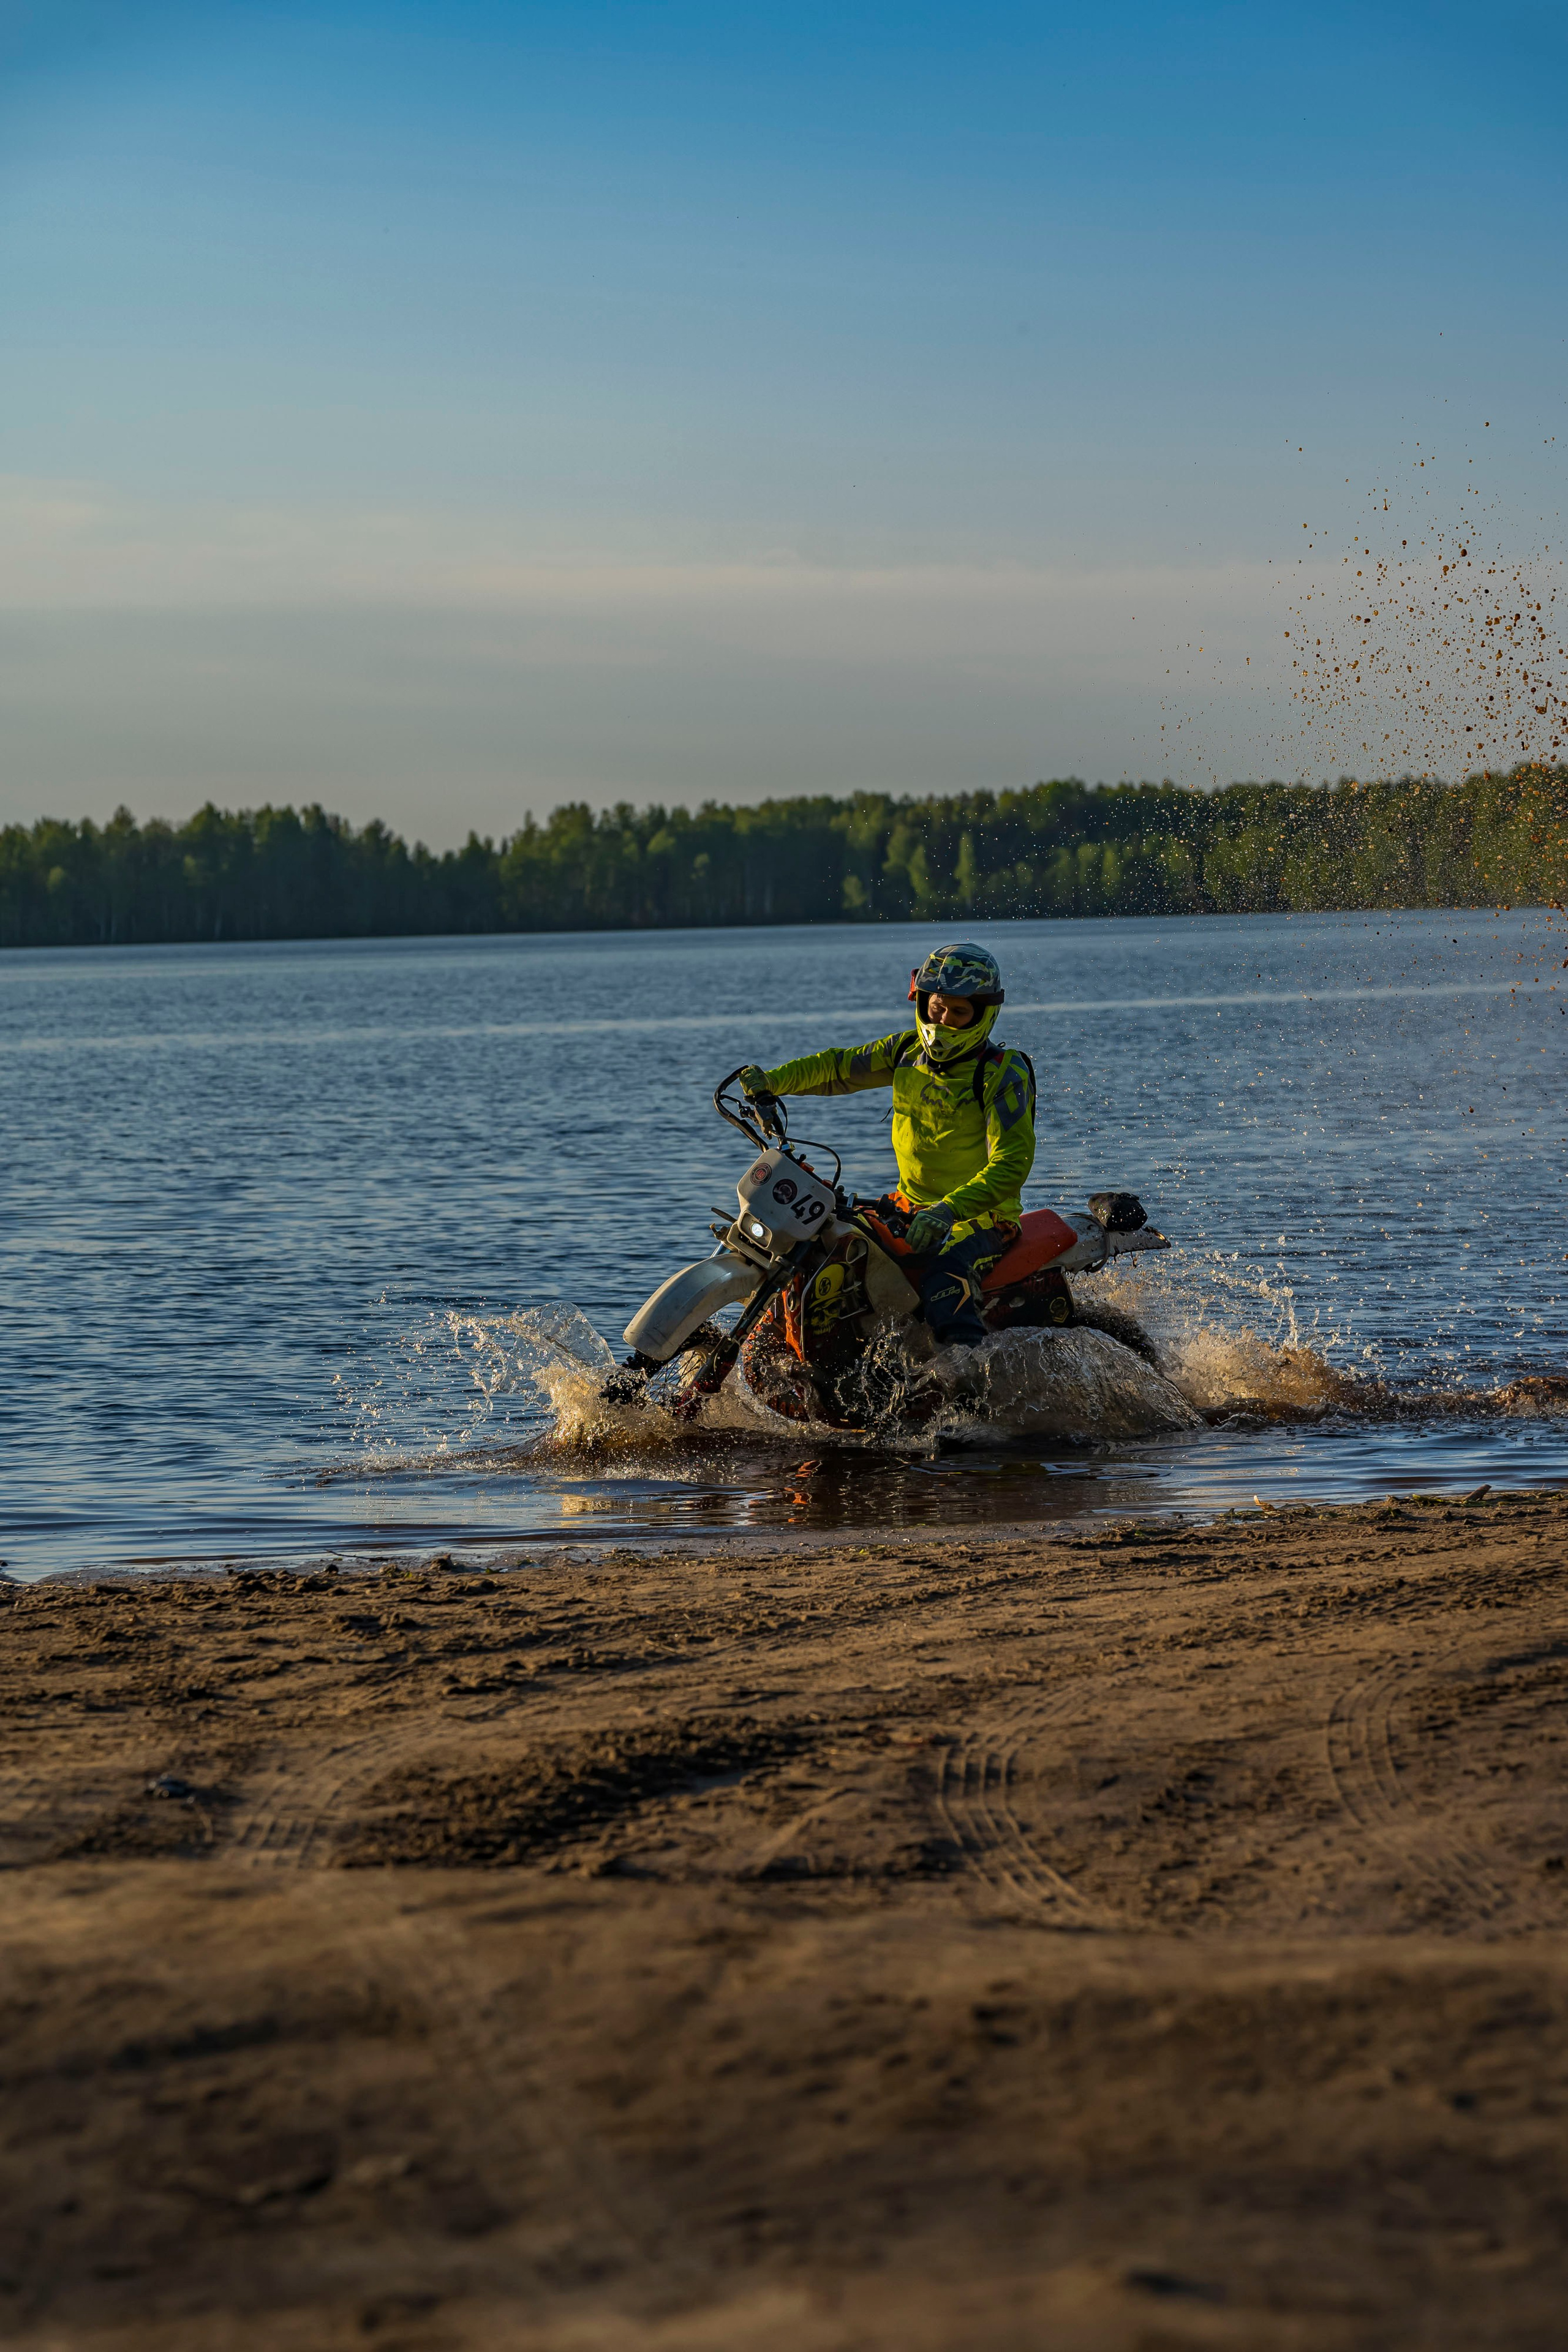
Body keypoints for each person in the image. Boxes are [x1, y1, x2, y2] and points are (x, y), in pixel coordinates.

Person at [736, 941, 1036, 1350]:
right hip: (909, 1205)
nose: (944, 1020)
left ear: (983, 1015)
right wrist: (772, 1082)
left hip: (981, 1218)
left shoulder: (1002, 1072)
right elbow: (838, 1068)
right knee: (824, 1242)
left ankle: (968, 1384)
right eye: (937, 1007)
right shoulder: (905, 1051)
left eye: (959, 1012)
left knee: (944, 1278)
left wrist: (948, 1210)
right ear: (923, 1001)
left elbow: (1011, 1164)